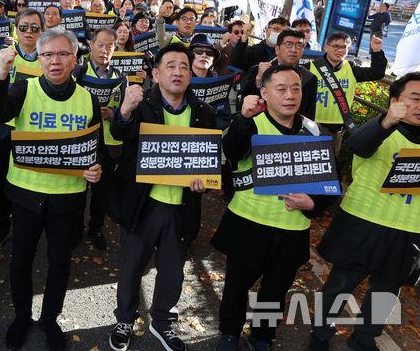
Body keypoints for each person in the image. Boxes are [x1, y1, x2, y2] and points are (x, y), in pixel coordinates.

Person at [0, 28, 102, 351]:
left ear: (74, 59)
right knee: (20, 261)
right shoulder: (24, 89)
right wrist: (1, 73)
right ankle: (21, 316)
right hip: (26, 196)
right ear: (39, 59)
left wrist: (96, 167)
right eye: (47, 55)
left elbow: (97, 148)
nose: (55, 61)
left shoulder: (88, 99)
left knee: (59, 263)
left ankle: (50, 320)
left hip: (68, 200)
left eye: (62, 54)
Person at [213, 65, 335, 351]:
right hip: (248, 223)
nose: (290, 95)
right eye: (281, 89)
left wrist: (312, 203)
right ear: (264, 93)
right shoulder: (251, 123)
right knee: (236, 286)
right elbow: (231, 151)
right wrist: (243, 119)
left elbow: (329, 183)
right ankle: (229, 334)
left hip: (292, 229)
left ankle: (261, 337)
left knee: (275, 291)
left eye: (295, 88)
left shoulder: (314, 131)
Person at [108, 42, 216, 351]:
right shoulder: (141, 105)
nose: (178, 72)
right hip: (143, 204)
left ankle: (162, 321)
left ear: (190, 74)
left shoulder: (204, 113)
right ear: (156, 74)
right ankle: (125, 319)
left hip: (182, 208)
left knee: (172, 272)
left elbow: (209, 162)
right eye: (170, 66)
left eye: (184, 66)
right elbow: (119, 132)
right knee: (132, 268)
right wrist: (124, 111)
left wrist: (205, 184)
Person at [309, 72, 420, 351]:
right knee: (340, 284)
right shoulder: (380, 128)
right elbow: (357, 144)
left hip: (408, 229)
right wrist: (386, 121)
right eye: (416, 98)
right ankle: (321, 334)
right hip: (364, 222)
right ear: (395, 101)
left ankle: (364, 338)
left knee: (387, 290)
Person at [0, 9, 45, 252]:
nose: (29, 32)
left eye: (34, 28)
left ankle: (27, 230)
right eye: (23, 27)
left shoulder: (47, 58)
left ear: (42, 31)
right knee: (0, 184)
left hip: (34, 133)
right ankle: (1, 228)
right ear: (16, 29)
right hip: (5, 132)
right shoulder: (4, 53)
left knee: (30, 185)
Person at [73, 28, 127, 250]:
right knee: (77, 187)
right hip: (81, 140)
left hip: (107, 143)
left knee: (101, 191)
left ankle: (96, 228)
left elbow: (124, 110)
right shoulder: (78, 72)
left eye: (110, 47)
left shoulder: (120, 77)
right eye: (101, 45)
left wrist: (112, 113)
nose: (105, 50)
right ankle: (75, 228)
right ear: (91, 45)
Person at [308, 32, 387, 152]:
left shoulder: (351, 67)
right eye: (336, 46)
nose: (340, 50)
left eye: (344, 47)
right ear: (326, 47)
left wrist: (376, 51)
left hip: (338, 127)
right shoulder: (310, 67)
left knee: (332, 159)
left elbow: (376, 73)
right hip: (312, 124)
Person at [241, 29, 317, 120]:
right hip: (259, 124)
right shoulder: (258, 70)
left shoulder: (309, 77)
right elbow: (244, 101)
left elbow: (309, 113)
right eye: (289, 44)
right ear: (277, 49)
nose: (293, 50)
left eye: (299, 45)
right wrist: (259, 80)